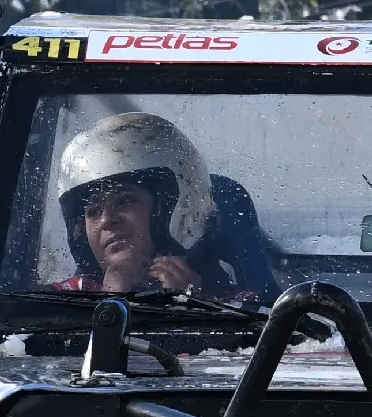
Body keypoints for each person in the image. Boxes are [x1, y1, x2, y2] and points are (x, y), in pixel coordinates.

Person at [52, 112, 238, 294]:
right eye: (93, 211)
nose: (106, 220)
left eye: (125, 200)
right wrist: (110, 297)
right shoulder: (54, 302)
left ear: (172, 207)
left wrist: (195, 306)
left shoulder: (241, 310)